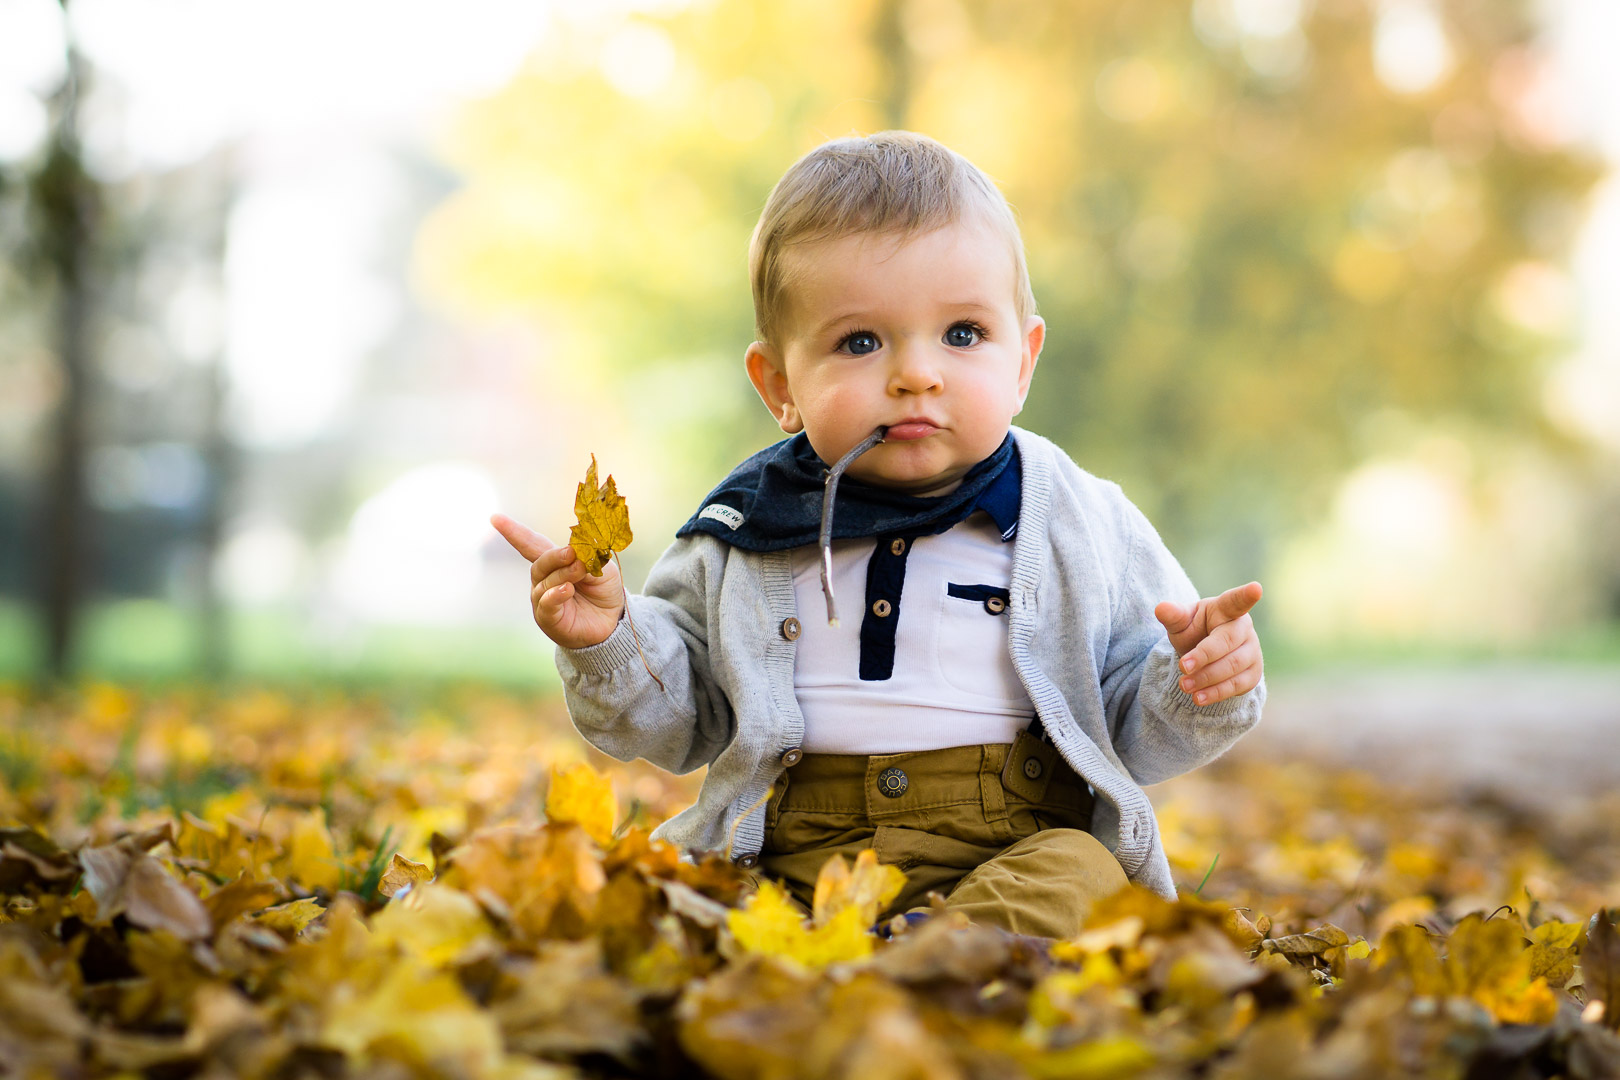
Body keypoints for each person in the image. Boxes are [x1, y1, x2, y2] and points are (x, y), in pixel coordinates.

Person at [491, 131, 1265, 940]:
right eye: (861, 342)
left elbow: (1133, 734)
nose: (916, 374)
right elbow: (679, 723)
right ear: (781, 387)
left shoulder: (1082, 521)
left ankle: (922, 966)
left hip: (1011, 846)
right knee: (658, 906)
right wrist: (609, 638)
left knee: (1084, 874)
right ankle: (861, 970)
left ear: (1024, 361)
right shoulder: (746, 527)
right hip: (790, 854)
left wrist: (1197, 680)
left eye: (963, 334)